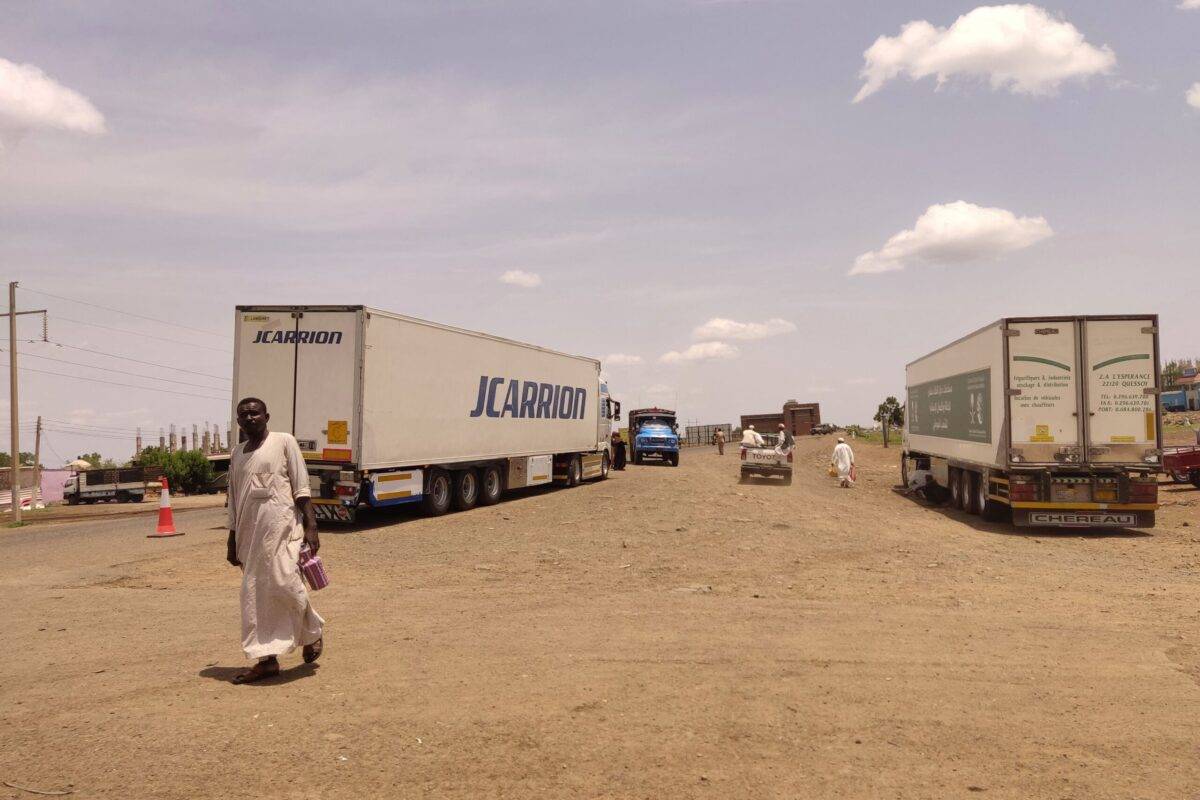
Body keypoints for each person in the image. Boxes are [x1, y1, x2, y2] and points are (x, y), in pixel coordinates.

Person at [227, 397, 324, 684]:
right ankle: (266, 660)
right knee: (255, 597)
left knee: (286, 583)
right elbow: (233, 500)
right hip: (249, 536)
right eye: (243, 414)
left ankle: (312, 631)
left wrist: (311, 525)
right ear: (238, 422)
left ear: (266, 416)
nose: (250, 418)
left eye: (255, 413)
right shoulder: (237, 453)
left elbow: (301, 485)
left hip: (283, 529)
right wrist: (231, 540)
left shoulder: (284, 441)